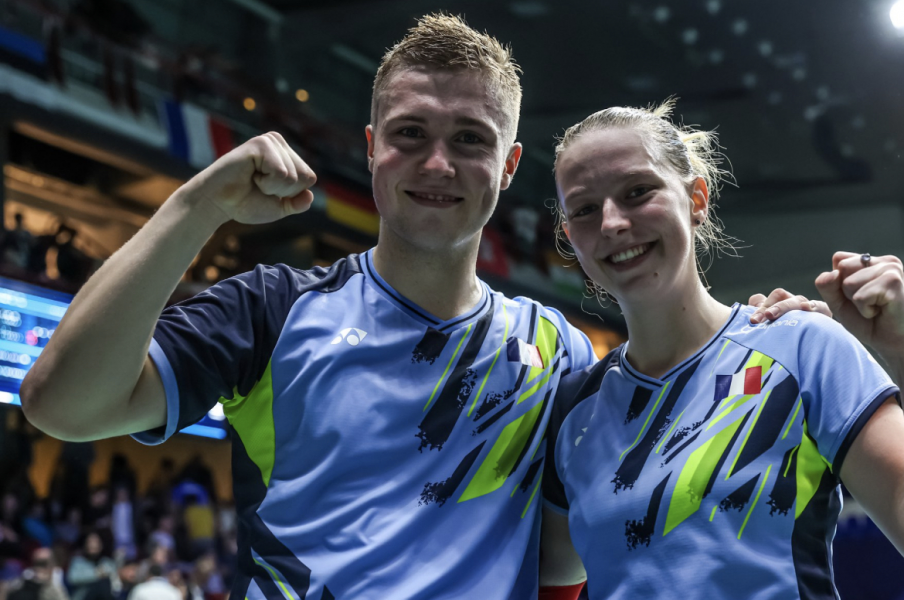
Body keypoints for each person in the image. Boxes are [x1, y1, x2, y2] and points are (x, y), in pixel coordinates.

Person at [19, 14, 824, 599]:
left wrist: (770, 333)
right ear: (371, 148)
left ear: (509, 166)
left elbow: (593, 534)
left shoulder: (561, 353)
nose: (437, 162)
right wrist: (197, 206)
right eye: (409, 133)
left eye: (470, 139)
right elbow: (62, 403)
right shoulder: (272, 312)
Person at [539, 100, 904, 599]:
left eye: (637, 192)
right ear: (569, 237)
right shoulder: (571, 412)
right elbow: (547, 580)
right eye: (584, 209)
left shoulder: (802, 347)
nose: (611, 223)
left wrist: (901, 347)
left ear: (696, 199)